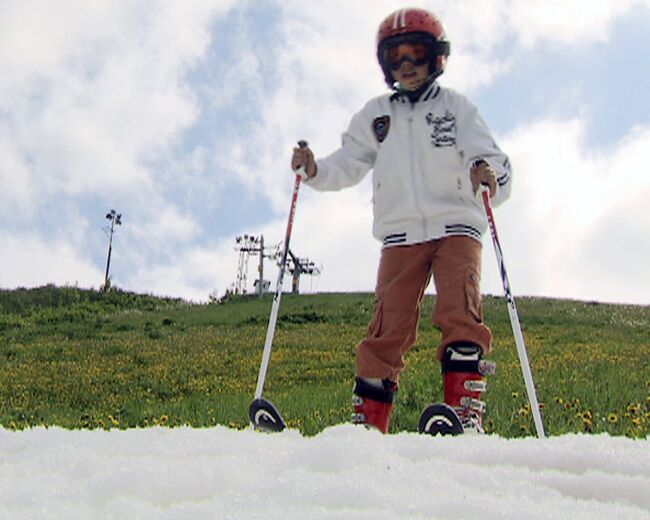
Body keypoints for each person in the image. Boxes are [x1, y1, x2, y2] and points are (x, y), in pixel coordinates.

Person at [291, 7, 511, 434]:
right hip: (400, 233)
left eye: (417, 53)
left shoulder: (456, 108)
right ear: (384, 63)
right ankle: (369, 426)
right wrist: (314, 170)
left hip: (456, 226)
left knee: (459, 312)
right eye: (396, 57)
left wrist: (490, 175)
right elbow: (349, 162)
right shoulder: (377, 115)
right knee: (387, 326)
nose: (407, 66)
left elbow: (491, 157)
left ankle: (464, 412)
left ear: (438, 57)